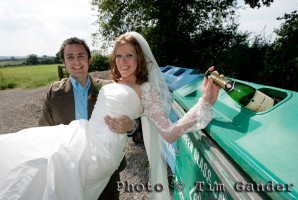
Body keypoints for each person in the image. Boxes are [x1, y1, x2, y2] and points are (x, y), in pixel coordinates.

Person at [0, 32, 220, 200]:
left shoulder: (147, 89)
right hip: (83, 138)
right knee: (33, 159)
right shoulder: (114, 83)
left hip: (102, 152)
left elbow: (168, 133)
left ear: (140, 58)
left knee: (54, 163)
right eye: (119, 56)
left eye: (129, 55)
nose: (123, 61)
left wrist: (204, 102)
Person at [38, 37, 137, 200]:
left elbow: (136, 122)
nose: (76, 61)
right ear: (64, 61)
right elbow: (43, 130)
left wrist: (131, 125)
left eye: (81, 56)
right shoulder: (55, 92)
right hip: (67, 171)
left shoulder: (110, 87)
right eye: (70, 57)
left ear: (89, 60)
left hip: (106, 171)